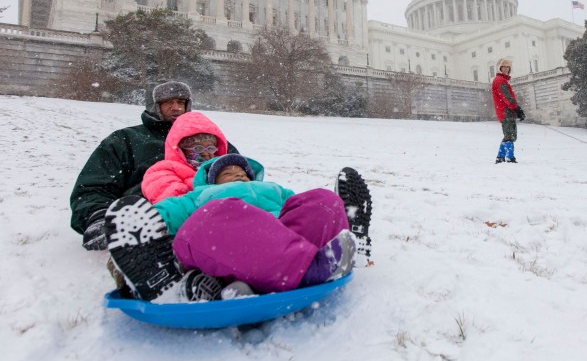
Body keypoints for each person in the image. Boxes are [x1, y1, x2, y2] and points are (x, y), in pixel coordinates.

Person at [104, 154, 368, 303]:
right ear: (210, 180)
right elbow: (159, 215)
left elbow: (301, 212)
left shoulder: (273, 190)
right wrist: (130, 235)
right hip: (224, 246)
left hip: (278, 242)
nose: (237, 174)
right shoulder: (200, 197)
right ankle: (307, 268)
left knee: (323, 201)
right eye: (227, 173)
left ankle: (331, 243)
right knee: (214, 214)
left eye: (241, 171)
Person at [71, 81, 239, 251]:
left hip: (207, 217)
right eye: (168, 102)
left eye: (181, 102)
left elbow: (241, 179)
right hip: (146, 218)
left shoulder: (211, 141)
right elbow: (93, 186)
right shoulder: (126, 140)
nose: (176, 108)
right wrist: (99, 216)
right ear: (154, 105)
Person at [141, 111, 230, 204]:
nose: (205, 153)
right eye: (198, 148)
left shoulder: (223, 169)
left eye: (211, 148)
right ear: (181, 149)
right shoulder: (161, 172)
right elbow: (178, 205)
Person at [491, 58, 525, 163]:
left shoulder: (502, 80)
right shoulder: (500, 80)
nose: (506, 69)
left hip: (506, 111)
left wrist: (516, 109)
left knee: (508, 135)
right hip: (506, 111)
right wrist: (517, 108)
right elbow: (507, 97)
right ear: (500, 68)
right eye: (504, 67)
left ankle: (500, 157)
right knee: (510, 135)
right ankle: (510, 157)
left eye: (508, 67)